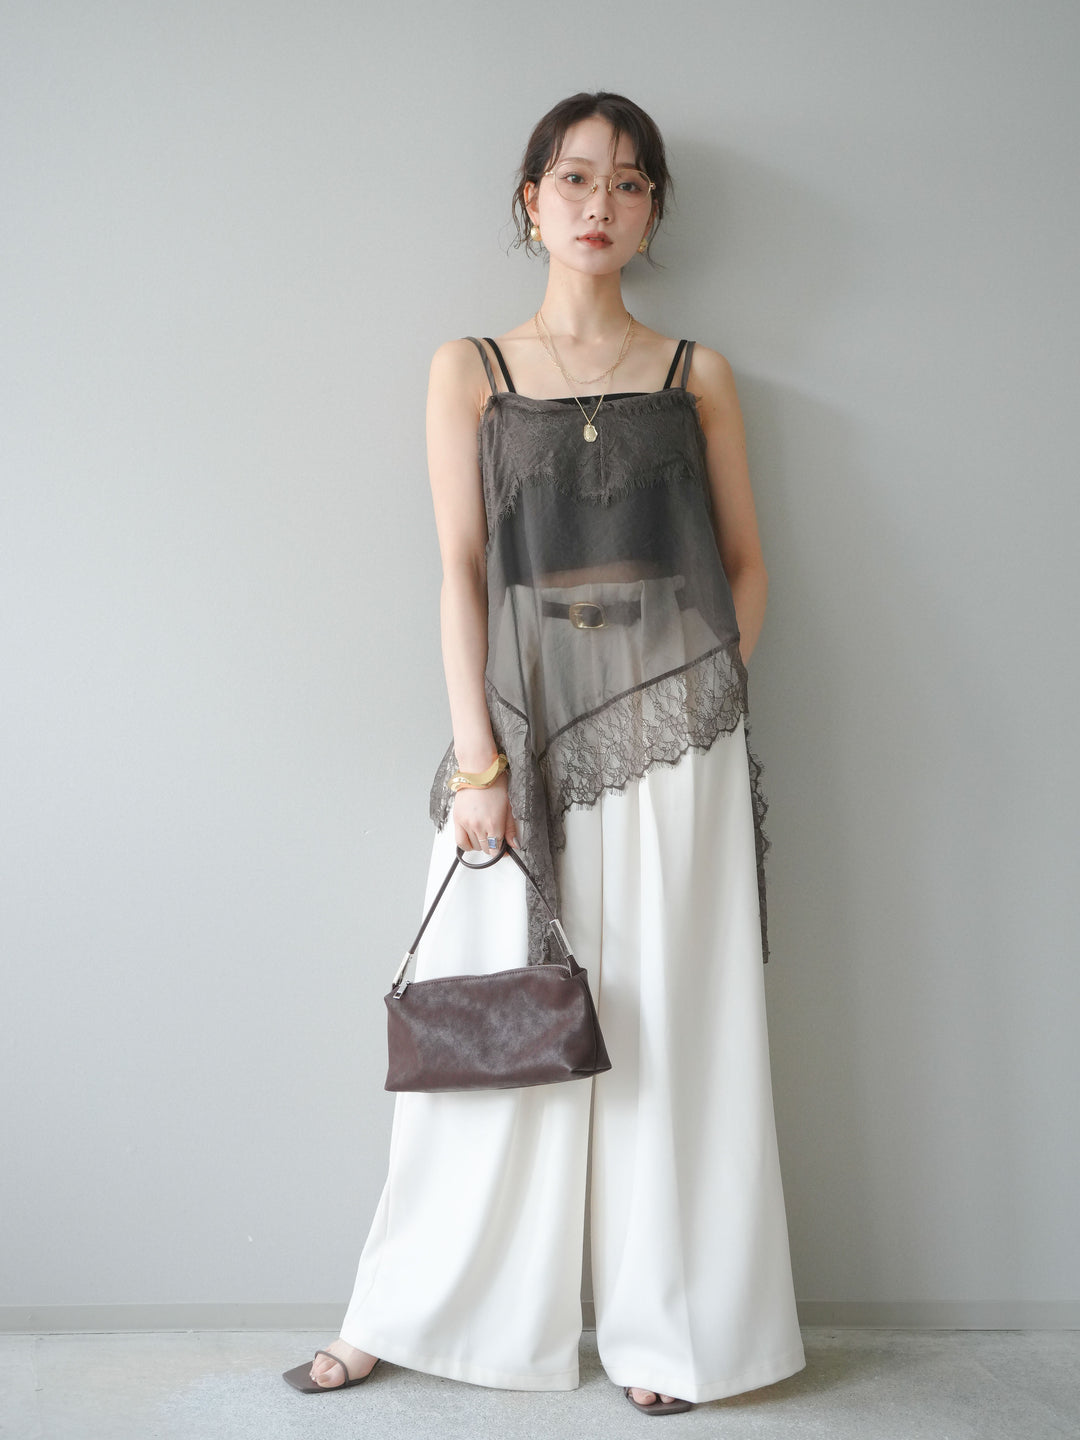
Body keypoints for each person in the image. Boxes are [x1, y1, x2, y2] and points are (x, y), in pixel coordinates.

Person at [283, 90, 805, 1416]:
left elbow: (747, 565)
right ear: (532, 200)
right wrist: (478, 761)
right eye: (575, 178)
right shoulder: (470, 369)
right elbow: (460, 569)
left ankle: (673, 1337)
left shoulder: (698, 373)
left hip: (674, 740)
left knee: (670, 1035)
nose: (599, 204)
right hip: (515, 735)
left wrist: (694, 704)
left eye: (628, 184)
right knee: (489, 1031)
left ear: (652, 211)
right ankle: (413, 1315)